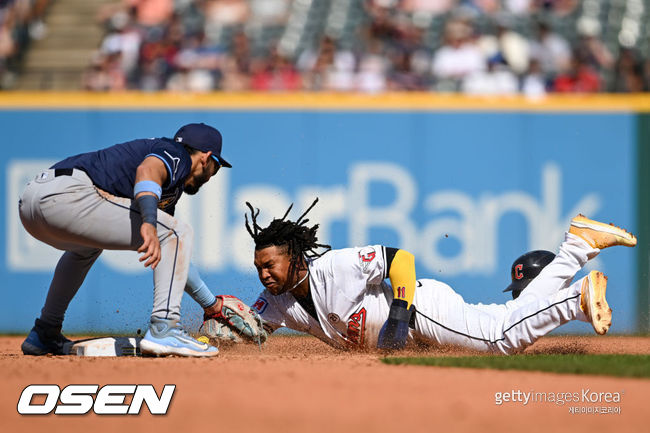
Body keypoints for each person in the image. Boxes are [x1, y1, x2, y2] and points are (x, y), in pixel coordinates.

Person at [233, 200, 636, 354]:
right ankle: (577, 247)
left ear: (296, 259)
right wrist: (204, 335)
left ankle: (575, 299)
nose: (264, 274)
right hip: (413, 330)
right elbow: (245, 330)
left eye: (270, 265)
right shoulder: (278, 304)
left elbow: (401, 259)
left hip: (419, 311)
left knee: (500, 339)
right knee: (514, 314)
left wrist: (400, 311)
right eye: (258, 268)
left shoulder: (333, 267)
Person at [19, 123, 230, 357]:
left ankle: (45, 332)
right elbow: (147, 171)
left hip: (32, 204)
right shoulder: (176, 153)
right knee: (177, 231)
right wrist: (149, 221)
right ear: (206, 158)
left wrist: (211, 304)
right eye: (216, 167)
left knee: (87, 249)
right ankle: (165, 328)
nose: (212, 176)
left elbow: (174, 257)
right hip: (67, 195)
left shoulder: (171, 184)